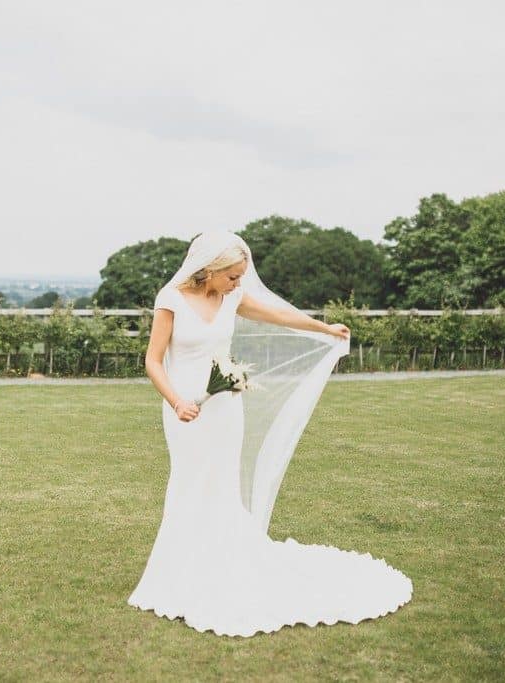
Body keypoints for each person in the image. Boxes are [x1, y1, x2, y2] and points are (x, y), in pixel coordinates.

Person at [127, 230, 413, 637]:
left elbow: (277, 314)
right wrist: (176, 401)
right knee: (189, 481)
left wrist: (323, 328)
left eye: (242, 276)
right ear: (208, 270)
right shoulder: (170, 299)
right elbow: (153, 360)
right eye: (232, 276)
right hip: (183, 409)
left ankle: (224, 563)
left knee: (222, 483)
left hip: (225, 406)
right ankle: (181, 568)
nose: (238, 283)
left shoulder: (233, 298)